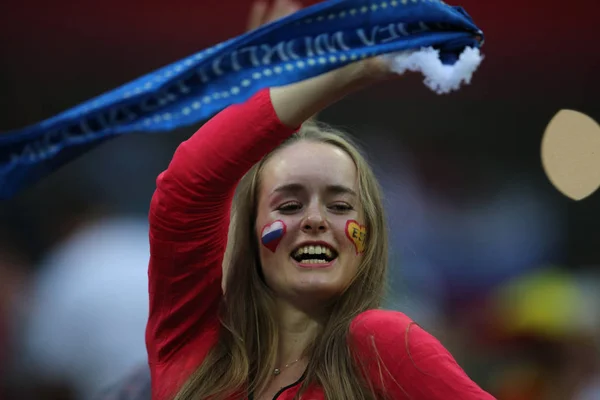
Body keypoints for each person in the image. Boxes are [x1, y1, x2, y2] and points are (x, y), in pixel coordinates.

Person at [146, 3, 495, 400]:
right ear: (246, 230)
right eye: (289, 206)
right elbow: (188, 185)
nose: (315, 220)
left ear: (370, 236)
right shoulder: (194, 341)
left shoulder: (382, 345)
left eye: (341, 206)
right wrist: (352, 69)